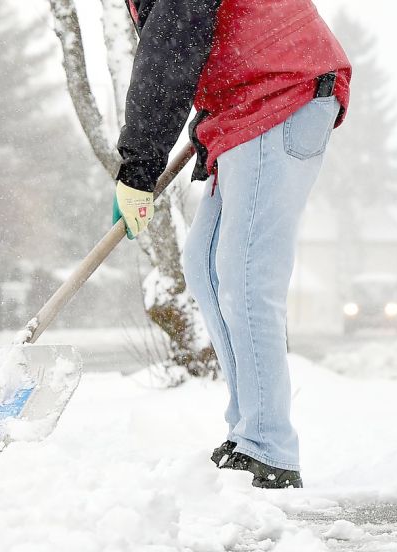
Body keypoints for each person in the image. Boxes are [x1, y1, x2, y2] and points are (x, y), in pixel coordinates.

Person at [111, 0, 352, 489]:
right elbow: (195, 48)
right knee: (204, 265)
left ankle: (270, 448)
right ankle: (249, 433)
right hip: (250, 104)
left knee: (246, 277)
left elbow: (171, 50)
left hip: (281, 93)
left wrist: (138, 169)